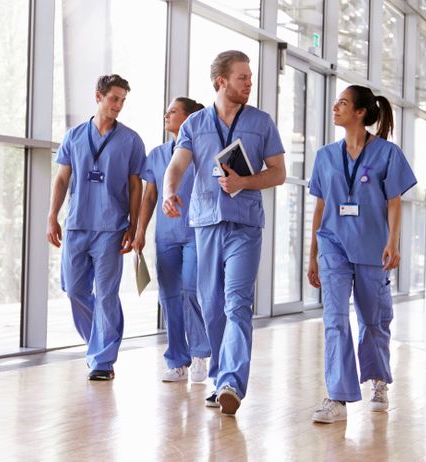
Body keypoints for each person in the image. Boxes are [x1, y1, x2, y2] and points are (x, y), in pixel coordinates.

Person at [162, 50, 286, 415]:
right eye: (243, 77)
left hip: (245, 225)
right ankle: (220, 379)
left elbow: (277, 172)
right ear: (222, 81)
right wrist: (170, 192)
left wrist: (245, 182)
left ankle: (232, 380)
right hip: (205, 224)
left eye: (250, 77)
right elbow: (177, 165)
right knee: (212, 305)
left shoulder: (261, 123)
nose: (250, 83)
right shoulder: (195, 124)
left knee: (237, 303)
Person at [307, 85, 417, 423]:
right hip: (333, 246)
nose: (335, 107)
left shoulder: (387, 153)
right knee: (335, 319)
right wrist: (312, 254)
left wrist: (393, 243)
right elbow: (320, 205)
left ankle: (378, 379)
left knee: (373, 320)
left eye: (342, 103)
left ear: (360, 113)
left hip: (372, 247)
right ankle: (337, 397)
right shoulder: (325, 155)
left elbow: (394, 202)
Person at [47, 74, 146, 381]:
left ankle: (103, 360)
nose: (118, 105)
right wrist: (52, 215)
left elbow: (135, 187)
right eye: (114, 99)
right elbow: (63, 178)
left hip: (111, 227)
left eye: (122, 101)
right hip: (77, 224)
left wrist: (133, 224)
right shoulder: (74, 136)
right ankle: (97, 343)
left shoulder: (131, 140)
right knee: (74, 289)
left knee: (106, 294)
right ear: (98, 97)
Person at [131, 97, 211, 383]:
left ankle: (201, 352)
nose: (167, 114)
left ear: (190, 118)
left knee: (190, 290)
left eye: (174, 111)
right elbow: (150, 195)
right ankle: (178, 360)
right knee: (169, 298)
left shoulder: (202, 153)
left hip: (195, 233)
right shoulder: (157, 154)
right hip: (165, 236)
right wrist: (140, 231)